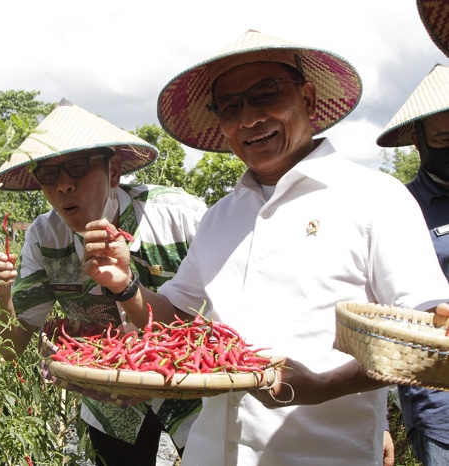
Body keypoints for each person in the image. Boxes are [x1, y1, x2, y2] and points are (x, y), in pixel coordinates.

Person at [80, 29, 449, 466]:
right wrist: (126, 287)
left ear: (308, 99)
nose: (249, 119)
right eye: (230, 107)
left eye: (266, 94)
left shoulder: (375, 199)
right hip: (209, 453)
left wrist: (324, 386)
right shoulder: (221, 217)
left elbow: (430, 342)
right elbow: (176, 321)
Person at [0, 98, 207, 466]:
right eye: (49, 175)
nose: (64, 186)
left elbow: (228, 315)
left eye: (77, 168)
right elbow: (10, 346)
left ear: (114, 172)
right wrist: (2, 294)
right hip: (109, 402)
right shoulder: (45, 238)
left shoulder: (179, 218)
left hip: (193, 393)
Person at [377, 63, 449, 466]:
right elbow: (376, 314)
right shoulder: (398, 208)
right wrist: (378, 420)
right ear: (419, 142)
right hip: (441, 408)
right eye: (444, 136)